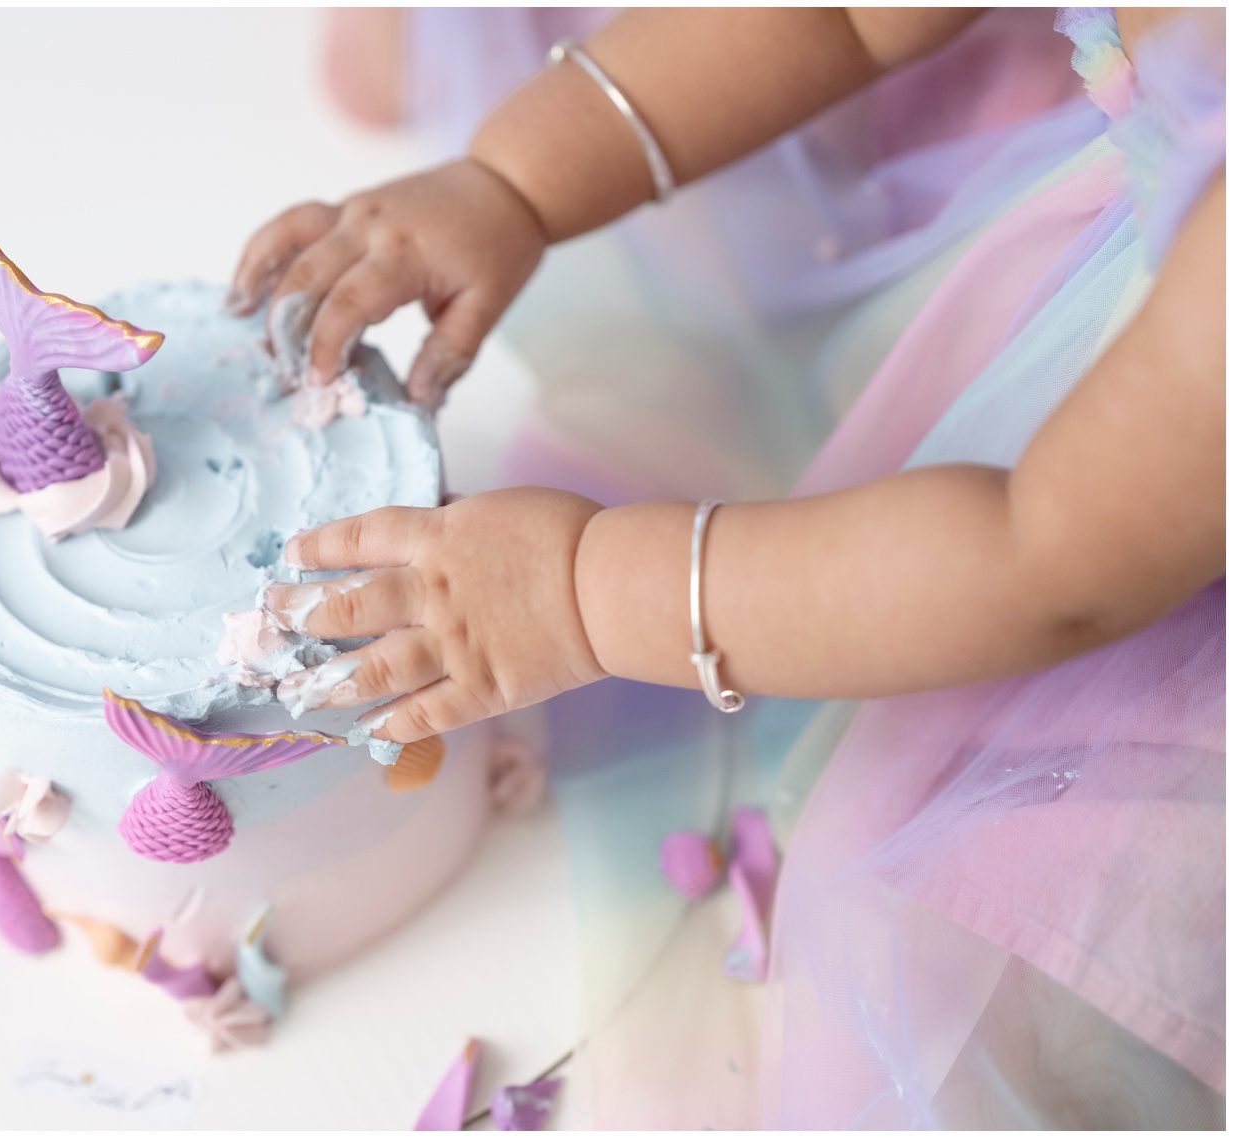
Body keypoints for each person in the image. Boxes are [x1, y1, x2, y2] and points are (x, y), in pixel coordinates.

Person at [231, 7, 1225, 1127]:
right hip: (1115, 314)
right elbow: (838, 19)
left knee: (960, 975)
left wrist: (585, 591)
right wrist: (512, 184)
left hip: (1130, 543)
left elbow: (1048, 562)